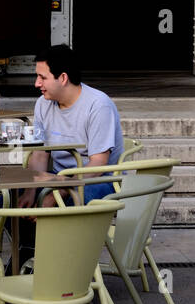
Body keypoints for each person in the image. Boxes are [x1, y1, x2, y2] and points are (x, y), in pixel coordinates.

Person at [20, 46, 124, 207]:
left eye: (42, 77)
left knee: (72, 204)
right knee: (10, 199)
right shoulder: (43, 103)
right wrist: (30, 191)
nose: (36, 83)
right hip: (58, 177)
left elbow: (98, 164)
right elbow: (40, 153)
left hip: (100, 180)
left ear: (63, 78)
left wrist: (57, 195)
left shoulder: (98, 105)